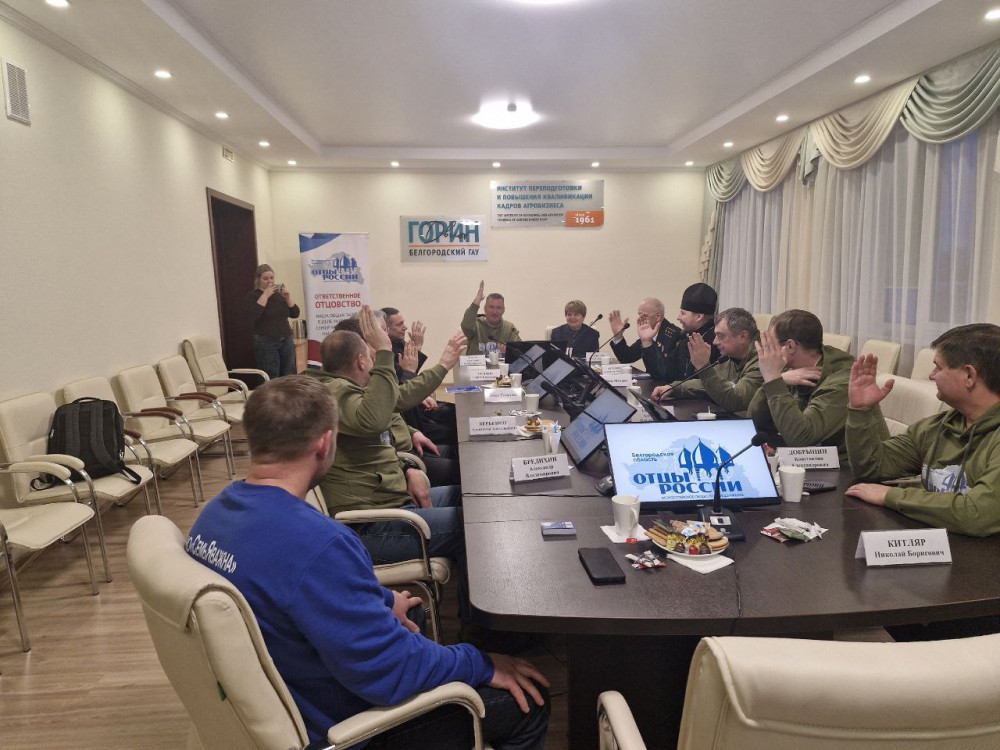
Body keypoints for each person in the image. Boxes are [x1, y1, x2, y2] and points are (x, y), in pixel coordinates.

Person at [185, 375, 549, 749]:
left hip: (281, 691)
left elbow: (286, 589)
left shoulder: (213, 516)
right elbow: (391, 674)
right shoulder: (320, 543)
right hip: (338, 726)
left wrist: (381, 602)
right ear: (325, 443)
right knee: (527, 704)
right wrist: (480, 662)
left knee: (411, 614)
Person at [308, 306, 464, 571]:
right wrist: (384, 352)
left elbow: (398, 398)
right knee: (470, 523)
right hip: (370, 524)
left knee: (468, 497)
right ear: (361, 361)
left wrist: (407, 467)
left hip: (390, 501)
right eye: (372, 355)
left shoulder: (349, 388)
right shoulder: (334, 394)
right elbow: (374, 420)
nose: (375, 359)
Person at [845, 324, 1000, 537]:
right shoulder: (938, 426)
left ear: (969, 375)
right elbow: (873, 468)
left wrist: (892, 496)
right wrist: (861, 410)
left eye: (938, 367)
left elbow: (978, 513)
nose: (931, 375)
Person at [748, 309, 883, 460]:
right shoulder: (791, 368)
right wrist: (778, 380)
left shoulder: (843, 382)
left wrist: (773, 379)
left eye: (772, 345)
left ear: (790, 346)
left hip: (856, 467)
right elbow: (755, 421)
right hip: (816, 460)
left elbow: (801, 438)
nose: (768, 352)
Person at [651, 307, 763, 416]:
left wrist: (703, 367)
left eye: (721, 336)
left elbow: (735, 402)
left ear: (743, 336)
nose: (715, 342)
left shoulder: (763, 361)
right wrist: (673, 389)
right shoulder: (733, 358)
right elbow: (706, 385)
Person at [609, 284, 719, 381]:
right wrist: (643, 341)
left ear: (699, 316)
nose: (678, 317)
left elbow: (669, 377)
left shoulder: (713, 340)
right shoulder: (689, 337)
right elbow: (666, 373)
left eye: (683, 313)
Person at [247, 263, 300, 378]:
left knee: (289, 372)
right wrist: (265, 295)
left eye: (271, 278)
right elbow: (254, 315)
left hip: (286, 339)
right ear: (258, 280)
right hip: (266, 341)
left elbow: (295, 313)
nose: (269, 281)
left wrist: (287, 298)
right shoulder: (253, 296)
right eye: (265, 278)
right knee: (270, 374)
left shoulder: (279, 295)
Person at [461, 281, 521, 356]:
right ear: (485, 308)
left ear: (503, 310)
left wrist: (509, 351)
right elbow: (466, 326)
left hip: (501, 364)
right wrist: (477, 301)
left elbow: (520, 352)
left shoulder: (509, 328)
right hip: (476, 364)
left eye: (499, 308)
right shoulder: (476, 325)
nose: (495, 312)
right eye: (491, 307)